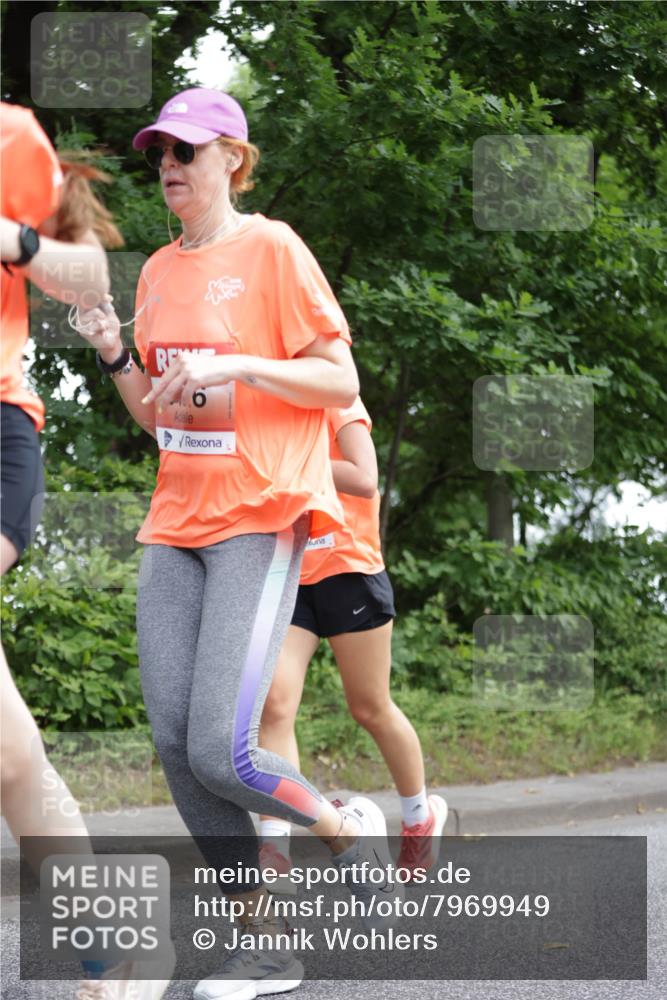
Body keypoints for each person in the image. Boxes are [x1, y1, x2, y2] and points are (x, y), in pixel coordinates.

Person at [75, 88, 404, 1000]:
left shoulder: (273, 248)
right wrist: (114, 352)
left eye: (187, 150)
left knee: (225, 748)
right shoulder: (153, 275)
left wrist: (239, 363)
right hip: (174, 521)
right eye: (159, 154)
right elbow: (158, 419)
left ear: (233, 158)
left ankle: (341, 828)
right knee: (179, 746)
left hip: (260, 516)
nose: (170, 167)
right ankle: (264, 944)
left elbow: (338, 377)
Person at [0, 102, 173, 1000]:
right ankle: (118, 946)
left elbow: (89, 273)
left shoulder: (10, 138)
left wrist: (10, 238)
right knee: (10, 757)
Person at [258, 397, 448, 884]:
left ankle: (418, 818)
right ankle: (275, 847)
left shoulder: (337, 401)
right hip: (289, 572)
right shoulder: (262, 407)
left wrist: (291, 461)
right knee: (275, 705)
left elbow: (365, 479)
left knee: (369, 707)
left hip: (348, 569)